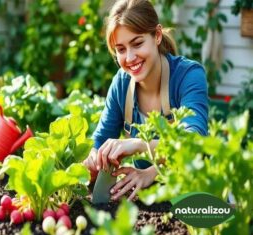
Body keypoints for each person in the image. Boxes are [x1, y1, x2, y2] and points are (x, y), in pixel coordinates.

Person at [83, 0, 208, 201]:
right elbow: (100, 142)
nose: (130, 57)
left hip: (197, 198)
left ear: (157, 36)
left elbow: (195, 143)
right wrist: (92, 163)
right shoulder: (122, 85)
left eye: (137, 43)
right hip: (154, 204)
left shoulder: (188, 76)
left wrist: (144, 154)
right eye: (121, 49)